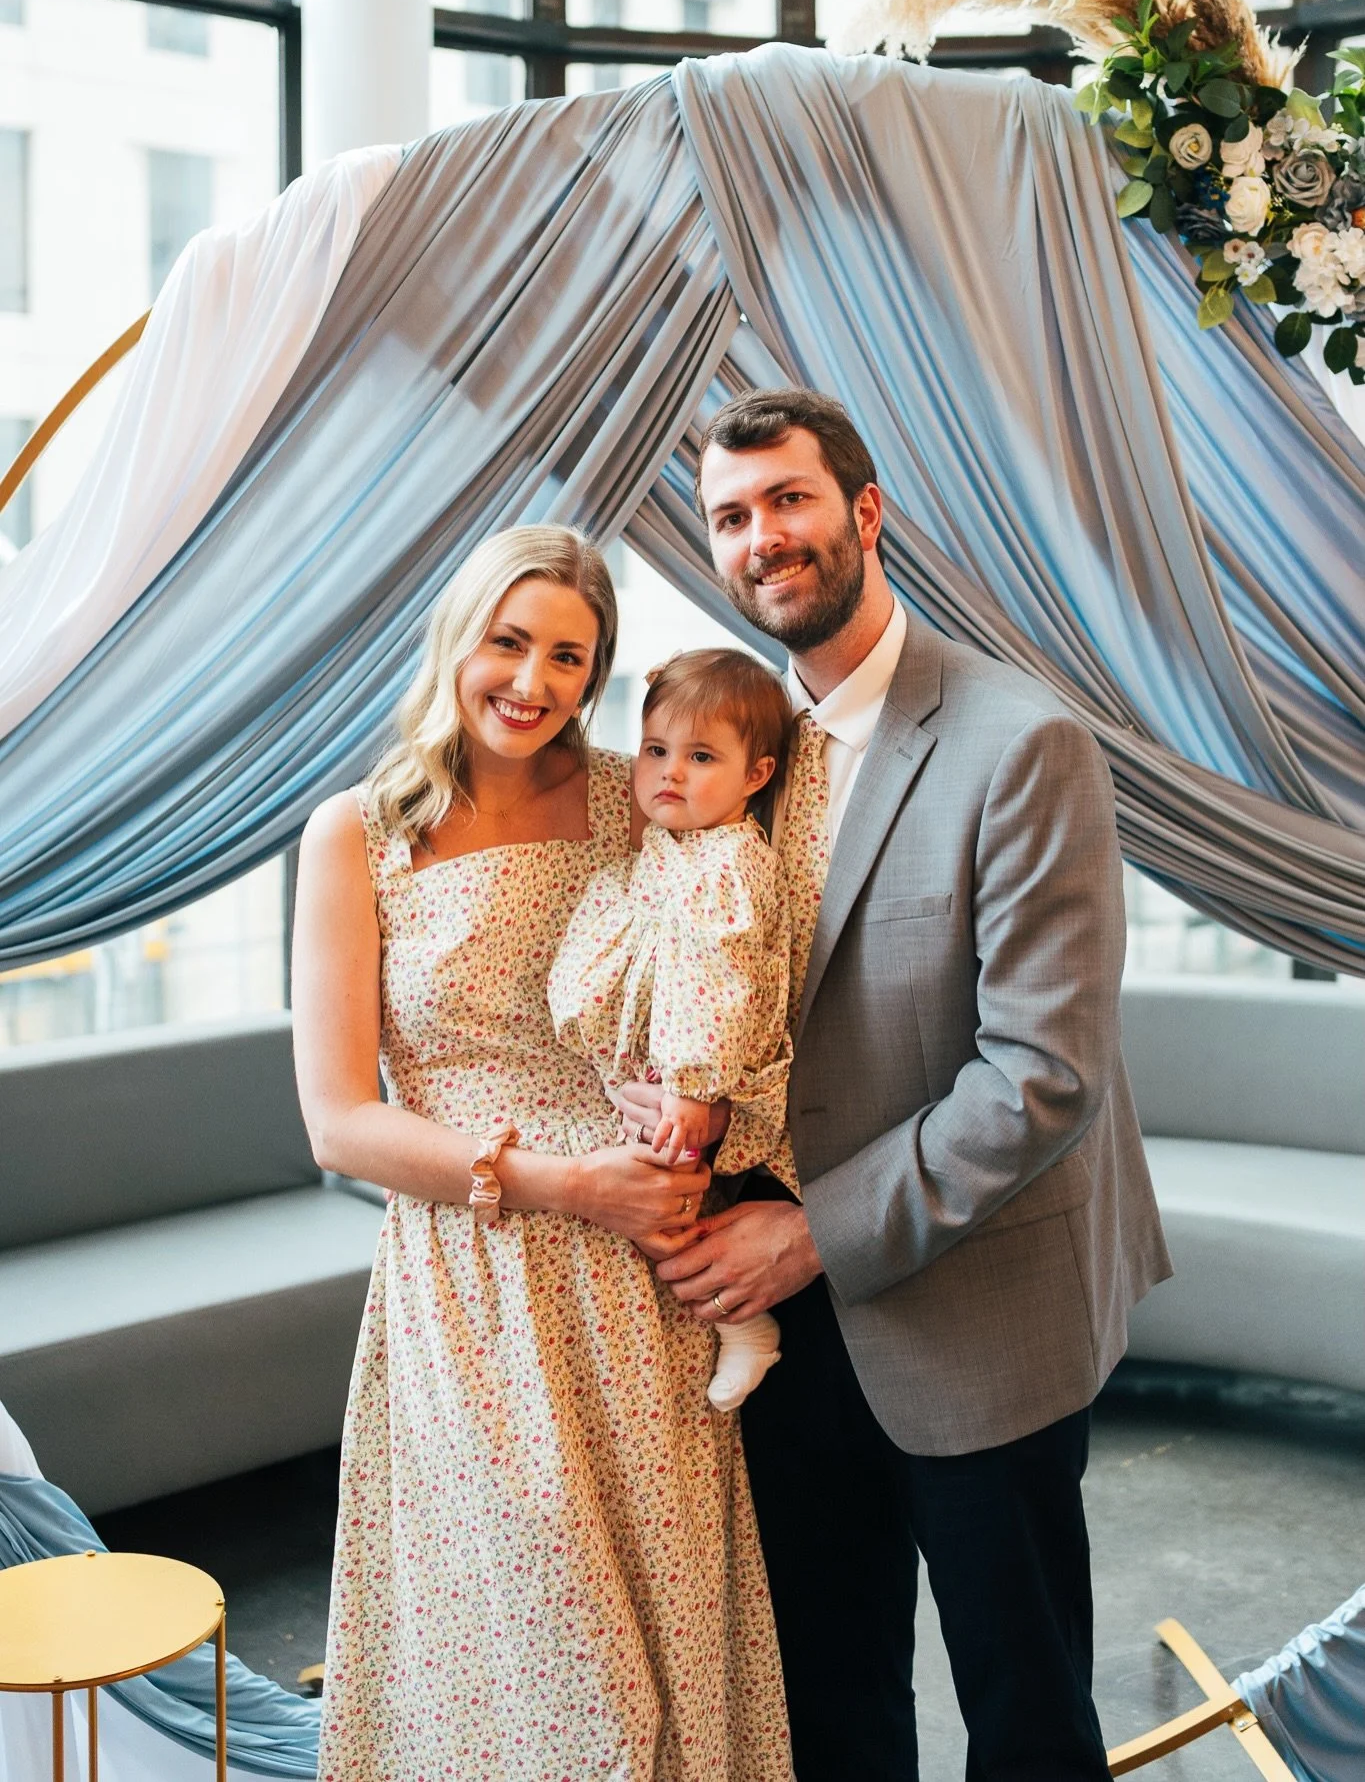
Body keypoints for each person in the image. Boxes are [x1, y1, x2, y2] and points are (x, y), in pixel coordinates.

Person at [613, 390, 1173, 1781]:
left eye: (788, 500)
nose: (760, 537)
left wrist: (811, 1231)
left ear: (864, 512)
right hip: (781, 1341)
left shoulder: (1021, 741)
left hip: (977, 1313)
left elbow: (1042, 1074)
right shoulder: (732, 751)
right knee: (829, 1708)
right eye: (730, 516)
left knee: (1027, 1716)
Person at [290, 526, 791, 1782]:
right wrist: (564, 1184)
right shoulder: (356, 834)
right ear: (457, 639)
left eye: (568, 656)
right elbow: (338, 1118)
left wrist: (708, 1111)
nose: (532, 681)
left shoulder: (645, 796)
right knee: (529, 1650)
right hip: (471, 1288)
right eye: (508, 642)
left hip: (641, 1291)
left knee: (665, 1638)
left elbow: (741, 967)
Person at [548, 647, 798, 1411]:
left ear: (755, 775)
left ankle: (744, 1323)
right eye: (655, 750)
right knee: (640, 1193)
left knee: (663, 1198)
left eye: (700, 757)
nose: (669, 773)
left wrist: (693, 1086)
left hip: (702, 1075)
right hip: (657, 1071)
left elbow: (719, 976)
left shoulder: (730, 862)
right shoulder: (668, 847)